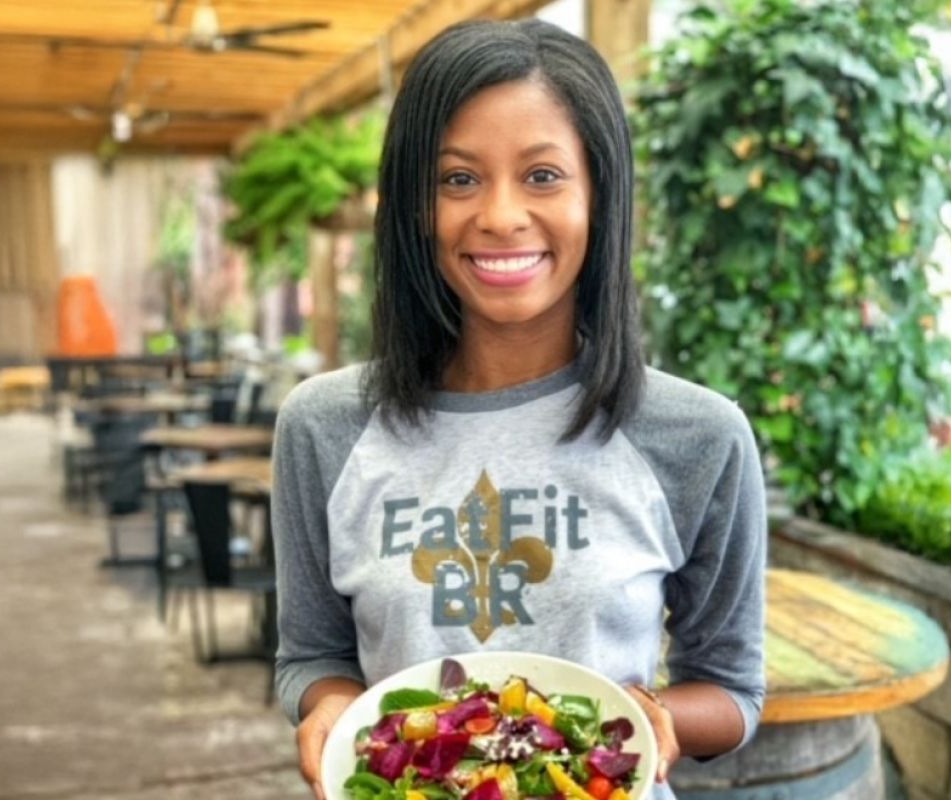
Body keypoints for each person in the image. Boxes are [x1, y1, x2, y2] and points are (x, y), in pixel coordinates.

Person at [271, 18, 767, 800]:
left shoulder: (698, 435)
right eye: (458, 179)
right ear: (410, 205)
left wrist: (646, 717)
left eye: (542, 176)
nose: (500, 216)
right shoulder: (322, 426)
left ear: (601, 195)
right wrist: (335, 711)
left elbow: (734, 690)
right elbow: (310, 656)